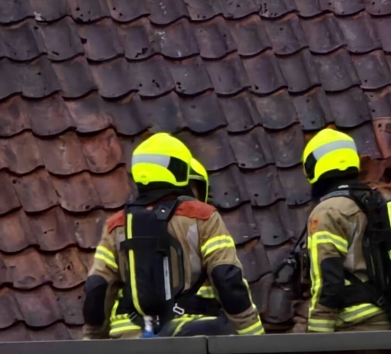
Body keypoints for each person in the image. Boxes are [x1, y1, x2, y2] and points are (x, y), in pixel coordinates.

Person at [82, 133, 264, 338]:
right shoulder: (203, 216)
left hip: (130, 341)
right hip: (190, 336)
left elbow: (97, 287)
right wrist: (253, 333)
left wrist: (92, 339)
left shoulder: (116, 225)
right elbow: (227, 277)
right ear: (179, 169)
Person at [302, 128, 391, 333]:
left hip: (354, 327)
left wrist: (316, 336)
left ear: (313, 167)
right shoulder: (377, 201)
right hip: (386, 320)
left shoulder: (328, 212)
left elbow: (328, 281)